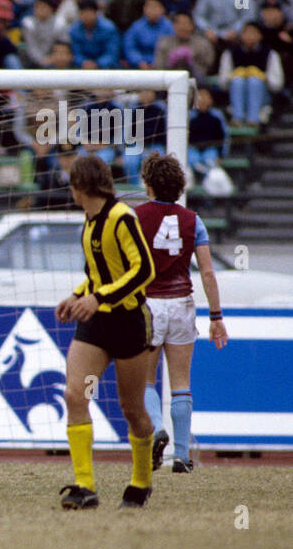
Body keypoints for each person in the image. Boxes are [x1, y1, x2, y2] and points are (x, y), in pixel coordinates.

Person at [55, 154, 157, 510]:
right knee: (75, 394)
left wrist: (98, 297)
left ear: (80, 186)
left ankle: (141, 481)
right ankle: (85, 487)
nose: (70, 190)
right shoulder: (89, 221)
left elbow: (143, 270)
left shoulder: (121, 217)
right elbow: (100, 273)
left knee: (131, 409)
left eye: (71, 184)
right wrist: (78, 295)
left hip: (128, 323)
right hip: (96, 325)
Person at [135, 153, 228, 475]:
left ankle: (158, 427)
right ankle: (181, 455)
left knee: (144, 381)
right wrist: (216, 316)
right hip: (181, 303)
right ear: (179, 185)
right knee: (181, 383)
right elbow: (207, 273)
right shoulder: (193, 220)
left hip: (147, 304)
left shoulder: (134, 218)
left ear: (147, 184)